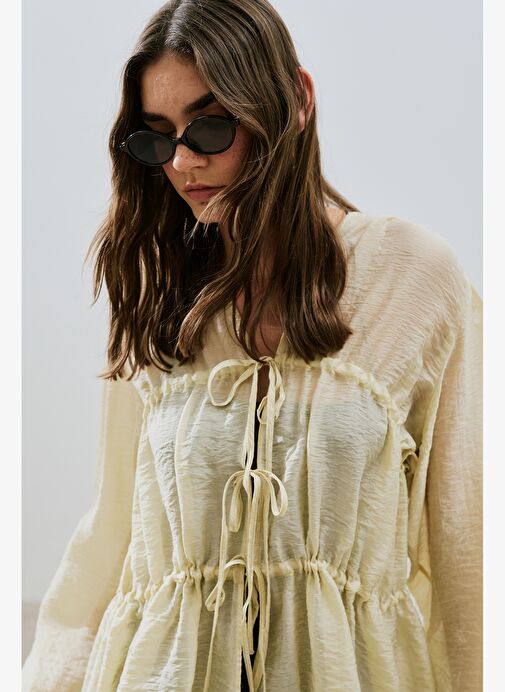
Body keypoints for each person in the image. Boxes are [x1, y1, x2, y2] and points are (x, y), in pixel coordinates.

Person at [22, 0, 482, 690]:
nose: (183, 162)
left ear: (296, 101)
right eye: (156, 139)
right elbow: (112, 529)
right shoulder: (156, 293)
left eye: (210, 125)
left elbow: (468, 542)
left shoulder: (411, 277)